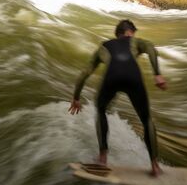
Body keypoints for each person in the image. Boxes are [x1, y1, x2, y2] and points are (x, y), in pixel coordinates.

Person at [68, 20, 166, 176]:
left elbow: (85, 73)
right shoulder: (135, 41)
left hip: (111, 79)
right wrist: (157, 74)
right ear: (130, 32)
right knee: (146, 120)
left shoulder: (103, 46)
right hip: (133, 78)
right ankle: (155, 166)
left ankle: (102, 158)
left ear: (117, 34)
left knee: (100, 110)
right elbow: (150, 48)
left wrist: (76, 98)